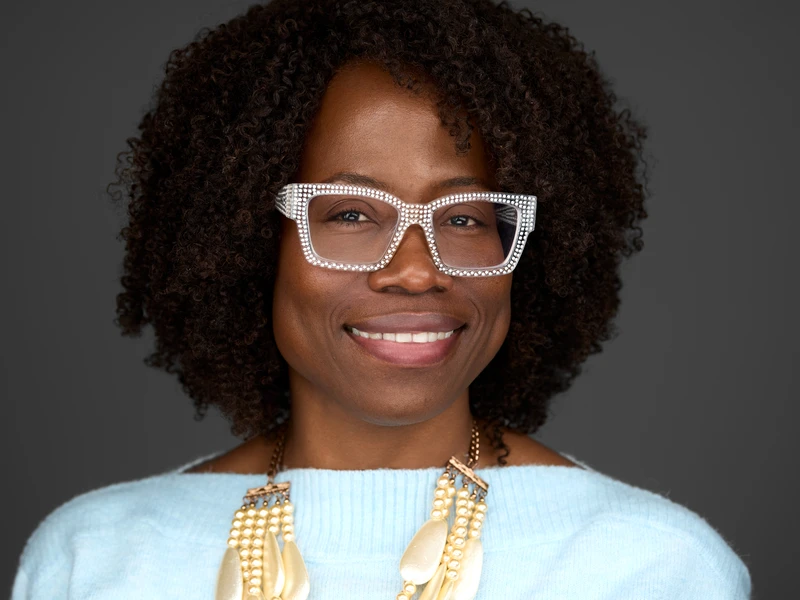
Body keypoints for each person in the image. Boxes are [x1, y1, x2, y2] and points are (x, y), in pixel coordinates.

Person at [12, 0, 751, 598]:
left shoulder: (650, 567)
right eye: (350, 214)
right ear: (247, 244)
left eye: (464, 219)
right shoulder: (99, 558)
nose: (416, 271)